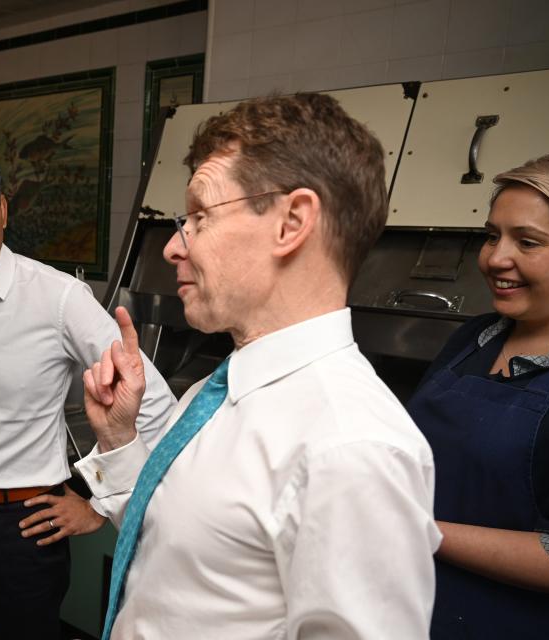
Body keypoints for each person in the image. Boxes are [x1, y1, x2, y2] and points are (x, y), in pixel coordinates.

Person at [76, 93, 442, 639]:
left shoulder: (352, 448)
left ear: (291, 221)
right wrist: (120, 441)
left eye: (199, 216)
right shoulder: (217, 386)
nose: (174, 247)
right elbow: (181, 551)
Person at [0, 142, 176, 639]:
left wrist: (99, 504)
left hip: (26, 526)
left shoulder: (59, 298)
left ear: (4, 208)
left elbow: (155, 405)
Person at [406, 153, 549, 638]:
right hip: (414, 608)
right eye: (493, 235)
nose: (495, 258)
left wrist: (418, 531)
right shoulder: (473, 338)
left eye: (527, 242)